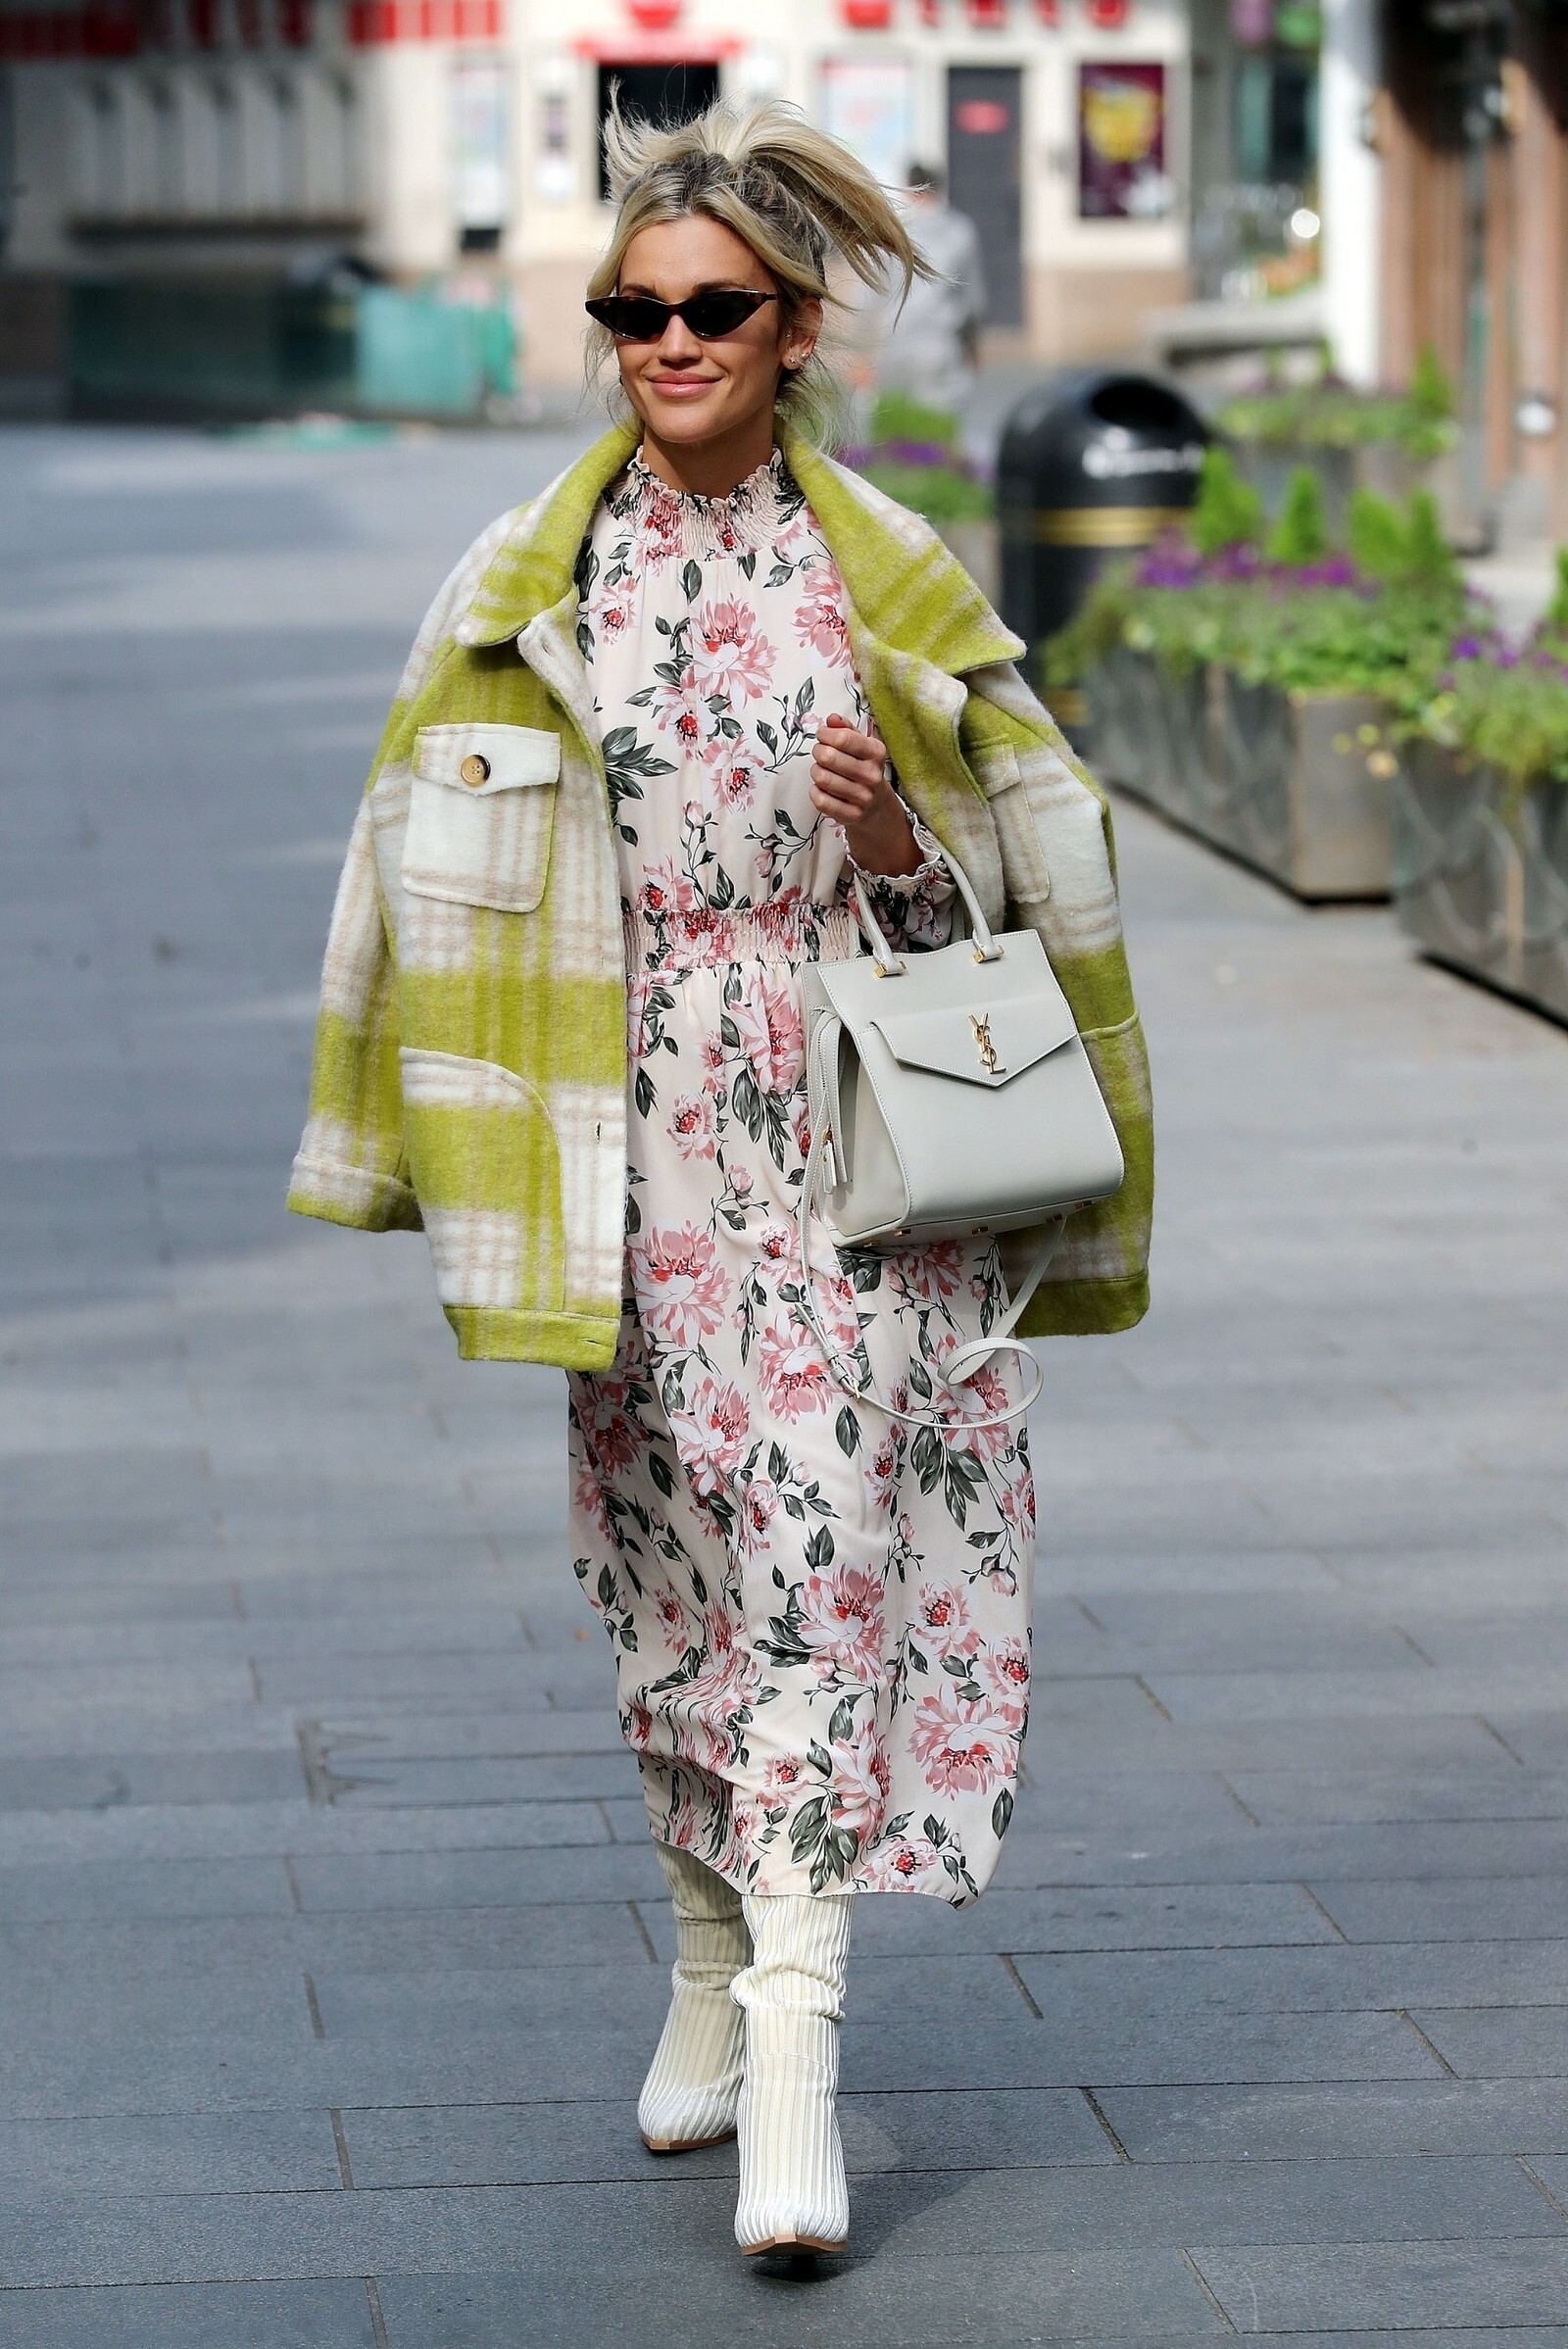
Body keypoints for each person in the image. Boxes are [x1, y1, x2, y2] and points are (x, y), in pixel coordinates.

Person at [289, 97, 1152, 2264]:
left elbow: (1021, 900)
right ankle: (700, 1963)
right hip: (629, 1162)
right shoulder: (522, 585)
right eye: (634, 310)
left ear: (791, 333)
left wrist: (888, 838)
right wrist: (393, 1139)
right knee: (673, 1578)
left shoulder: (885, 582)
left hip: (847, 1169)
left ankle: (791, 2052)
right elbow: (396, 875)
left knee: (817, 1572)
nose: (667, 341)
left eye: (710, 309)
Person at [863, 160, 986, 419]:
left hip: (894, 342)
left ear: (908, 187)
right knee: (937, 427)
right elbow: (972, 299)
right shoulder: (960, 232)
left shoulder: (892, 229)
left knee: (894, 427)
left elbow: (868, 291)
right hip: (940, 344)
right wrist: (972, 346)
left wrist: (859, 352)